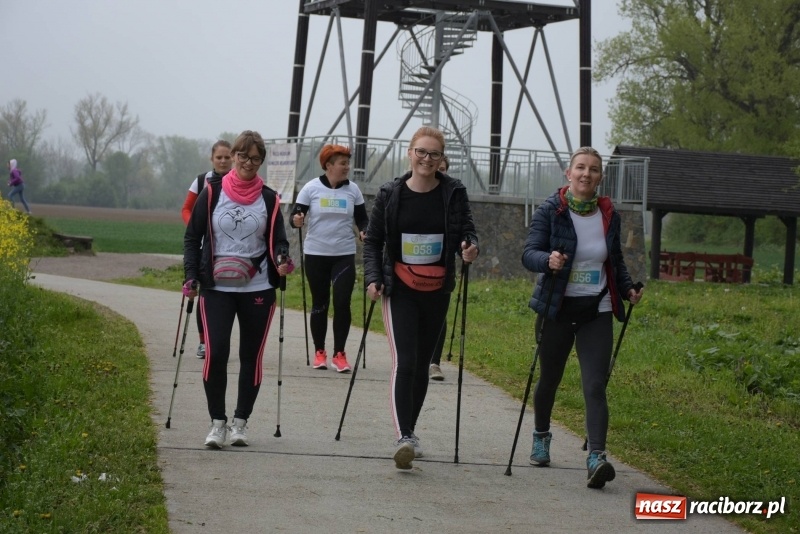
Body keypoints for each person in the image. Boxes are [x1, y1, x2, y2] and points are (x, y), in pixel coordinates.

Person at [521, 146, 644, 489]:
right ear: (568, 173)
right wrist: (549, 260)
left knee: (594, 383)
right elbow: (528, 253)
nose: (586, 174)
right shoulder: (551, 210)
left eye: (593, 169)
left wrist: (627, 288)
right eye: (580, 168)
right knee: (550, 379)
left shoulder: (608, 214)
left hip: (597, 309)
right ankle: (541, 436)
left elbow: (614, 259)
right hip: (557, 309)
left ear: (600, 177)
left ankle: (596, 457)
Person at [363, 126, 478, 470]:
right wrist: (372, 278)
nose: (427, 159)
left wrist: (469, 247)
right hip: (399, 288)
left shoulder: (453, 192)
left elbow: (467, 229)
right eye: (421, 152)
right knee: (406, 362)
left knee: (424, 365)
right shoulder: (390, 193)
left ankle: (410, 432)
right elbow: (373, 241)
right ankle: (404, 436)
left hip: (436, 288)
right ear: (410, 153)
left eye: (435, 154)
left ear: (443, 159)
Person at [183, 130, 292, 449]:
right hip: (216, 287)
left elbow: (280, 239)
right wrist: (191, 275)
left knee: (251, 356)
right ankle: (217, 422)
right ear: (232, 157)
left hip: (258, 288)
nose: (248, 163)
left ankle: (240, 422)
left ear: (261, 162)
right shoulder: (212, 193)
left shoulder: (270, 198)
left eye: (256, 158)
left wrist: (283, 258)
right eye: (243, 156)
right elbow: (193, 237)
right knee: (216, 353)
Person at [290, 144, 368, 373]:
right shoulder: (311, 188)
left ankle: (340, 354)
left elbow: (363, 219)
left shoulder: (353, 190)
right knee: (320, 303)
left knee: (342, 303)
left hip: (343, 254)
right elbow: (295, 214)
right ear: (329, 165)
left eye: (347, 163)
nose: (347, 167)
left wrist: (365, 231)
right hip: (316, 255)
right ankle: (319, 351)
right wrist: (296, 219)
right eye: (342, 163)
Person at [181, 140, 233, 359]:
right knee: (204, 295)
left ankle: (222, 341)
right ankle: (203, 342)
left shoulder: (239, 182)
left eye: (227, 157)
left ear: (234, 159)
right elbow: (186, 209)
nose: (223, 161)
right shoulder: (202, 181)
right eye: (219, 157)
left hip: (228, 249)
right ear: (212, 159)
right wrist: (197, 228)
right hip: (204, 249)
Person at [428, 154, 450, 382]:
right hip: (412, 269)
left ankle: (434, 362)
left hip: (443, 264)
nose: (439, 172)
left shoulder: (452, 196)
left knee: (439, 315)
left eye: (443, 168)